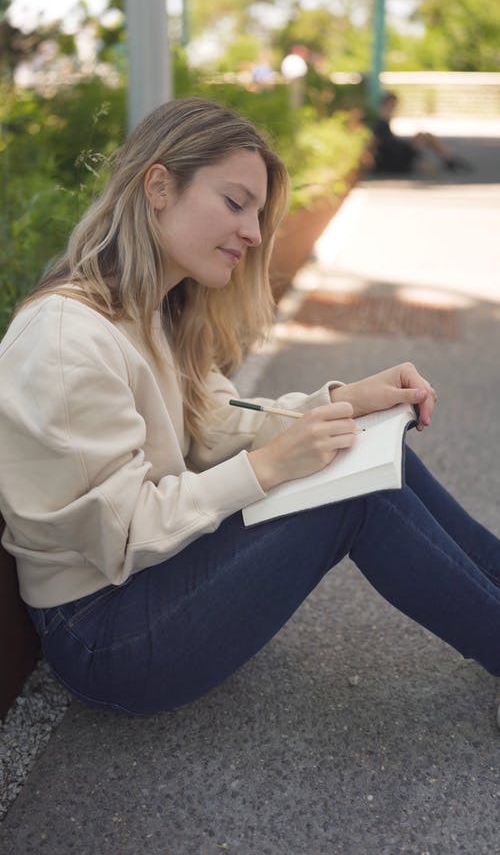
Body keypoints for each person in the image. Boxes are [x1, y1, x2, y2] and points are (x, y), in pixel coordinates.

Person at [0, 97, 498, 720]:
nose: (254, 234)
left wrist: (345, 401)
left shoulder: (151, 311)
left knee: (367, 443)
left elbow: (215, 420)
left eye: (258, 214)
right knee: (354, 491)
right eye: (235, 203)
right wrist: (269, 469)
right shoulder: (68, 338)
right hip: (105, 632)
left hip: (147, 586)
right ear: (158, 186)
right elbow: (121, 535)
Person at [371, 91, 472, 175]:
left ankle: (449, 159)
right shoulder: (380, 120)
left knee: (425, 135)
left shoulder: (384, 119)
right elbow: (385, 145)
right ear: (385, 104)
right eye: (391, 105)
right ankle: (449, 160)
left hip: (395, 153)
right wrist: (416, 152)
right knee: (422, 136)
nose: (393, 107)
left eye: (394, 105)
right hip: (392, 159)